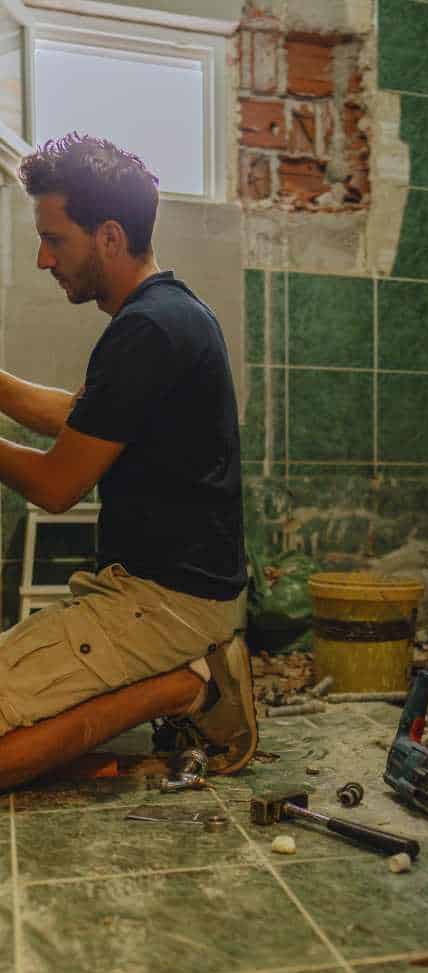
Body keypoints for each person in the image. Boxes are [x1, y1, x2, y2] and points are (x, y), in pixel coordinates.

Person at [0, 132, 256, 788]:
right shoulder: (168, 313)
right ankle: (181, 681)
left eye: (54, 239)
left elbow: (58, 485)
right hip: (174, 593)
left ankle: (186, 688)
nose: (41, 258)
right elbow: (78, 419)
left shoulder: (147, 331)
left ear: (109, 236)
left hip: (167, 605)